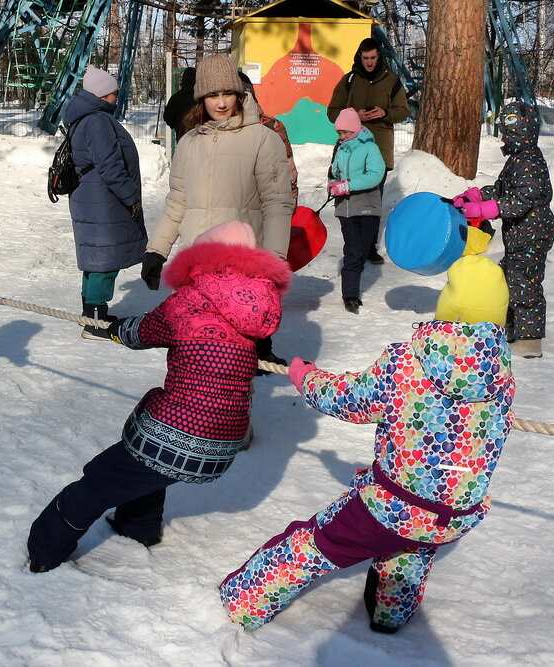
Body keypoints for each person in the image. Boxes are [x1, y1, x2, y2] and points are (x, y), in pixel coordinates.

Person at [220, 255, 514, 634]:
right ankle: (391, 615)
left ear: (448, 307)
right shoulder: (502, 373)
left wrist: (307, 378)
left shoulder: (407, 362)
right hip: (454, 513)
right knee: (411, 548)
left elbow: (350, 400)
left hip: (392, 505)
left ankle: (241, 601)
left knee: (314, 544)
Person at [26, 221, 292, 573]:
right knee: (149, 465)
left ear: (203, 256)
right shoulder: (258, 303)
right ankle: (138, 528)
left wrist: (118, 330)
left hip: (183, 430)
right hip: (225, 440)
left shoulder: (190, 300)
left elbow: (141, 332)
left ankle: (44, 551)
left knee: (101, 478)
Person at [142, 54, 295, 373]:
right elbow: (178, 201)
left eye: (227, 93)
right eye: (213, 95)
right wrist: (157, 250)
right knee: (195, 359)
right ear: (201, 98)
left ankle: (239, 422)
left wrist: (274, 261)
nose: (221, 102)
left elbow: (277, 204)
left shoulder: (263, 140)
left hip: (241, 272)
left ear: (240, 95)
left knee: (237, 368)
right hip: (196, 268)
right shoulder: (188, 144)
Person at [451, 101, 553, 359]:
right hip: (520, 235)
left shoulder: (529, 161)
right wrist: (475, 196)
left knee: (524, 284)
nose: (505, 137)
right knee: (508, 279)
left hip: (532, 234)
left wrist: (485, 210)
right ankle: (510, 328)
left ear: (523, 131)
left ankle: (530, 341)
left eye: (510, 132)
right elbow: (500, 191)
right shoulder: (518, 160)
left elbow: (520, 201)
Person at [63, 65, 146, 340]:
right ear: (101, 95)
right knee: (104, 261)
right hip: (103, 200)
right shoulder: (97, 121)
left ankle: (91, 313)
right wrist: (130, 197)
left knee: (95, 259)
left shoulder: (83, 117)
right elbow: (110, 166)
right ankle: (95, 324)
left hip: (92, 197)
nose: (116, 98)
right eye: (112, 93)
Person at [326, 38, 409, 265]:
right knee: (348, 196)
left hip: (379, 148)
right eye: (365, 58)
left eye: (373, 58)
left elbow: (403, 111)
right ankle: (352, 246)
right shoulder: (349, 80)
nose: (370, 62)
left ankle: (369, 246)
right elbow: (332, 111)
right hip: (349, 149)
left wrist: (384, 113)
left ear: (379, 57)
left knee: (373, 198)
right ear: (359, 58)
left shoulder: (391, 81)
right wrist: (354, 116)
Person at [328, 108, 386, 314]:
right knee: (352, 251)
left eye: (345, 132)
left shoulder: (370, 148)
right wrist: (333, 184)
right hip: (345, 208)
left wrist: (348, 185)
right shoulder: (341, 149)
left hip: (367, 206)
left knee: (361, 249)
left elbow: (376, 174)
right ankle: (350, 295)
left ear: (355, 130)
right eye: (339, 133)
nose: (342, 137)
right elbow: (334, 172)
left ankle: (353, 285)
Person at [238, 71, 299, 204]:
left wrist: (289, 203)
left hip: (266, 206)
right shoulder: (217, 129)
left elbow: (289, 170)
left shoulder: (272, 126)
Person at [162, 67, 197, 137]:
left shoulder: (176, 98)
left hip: (182, 137)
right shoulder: (201, 98)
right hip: (201, 138)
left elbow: (168, 117)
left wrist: (176, 124)